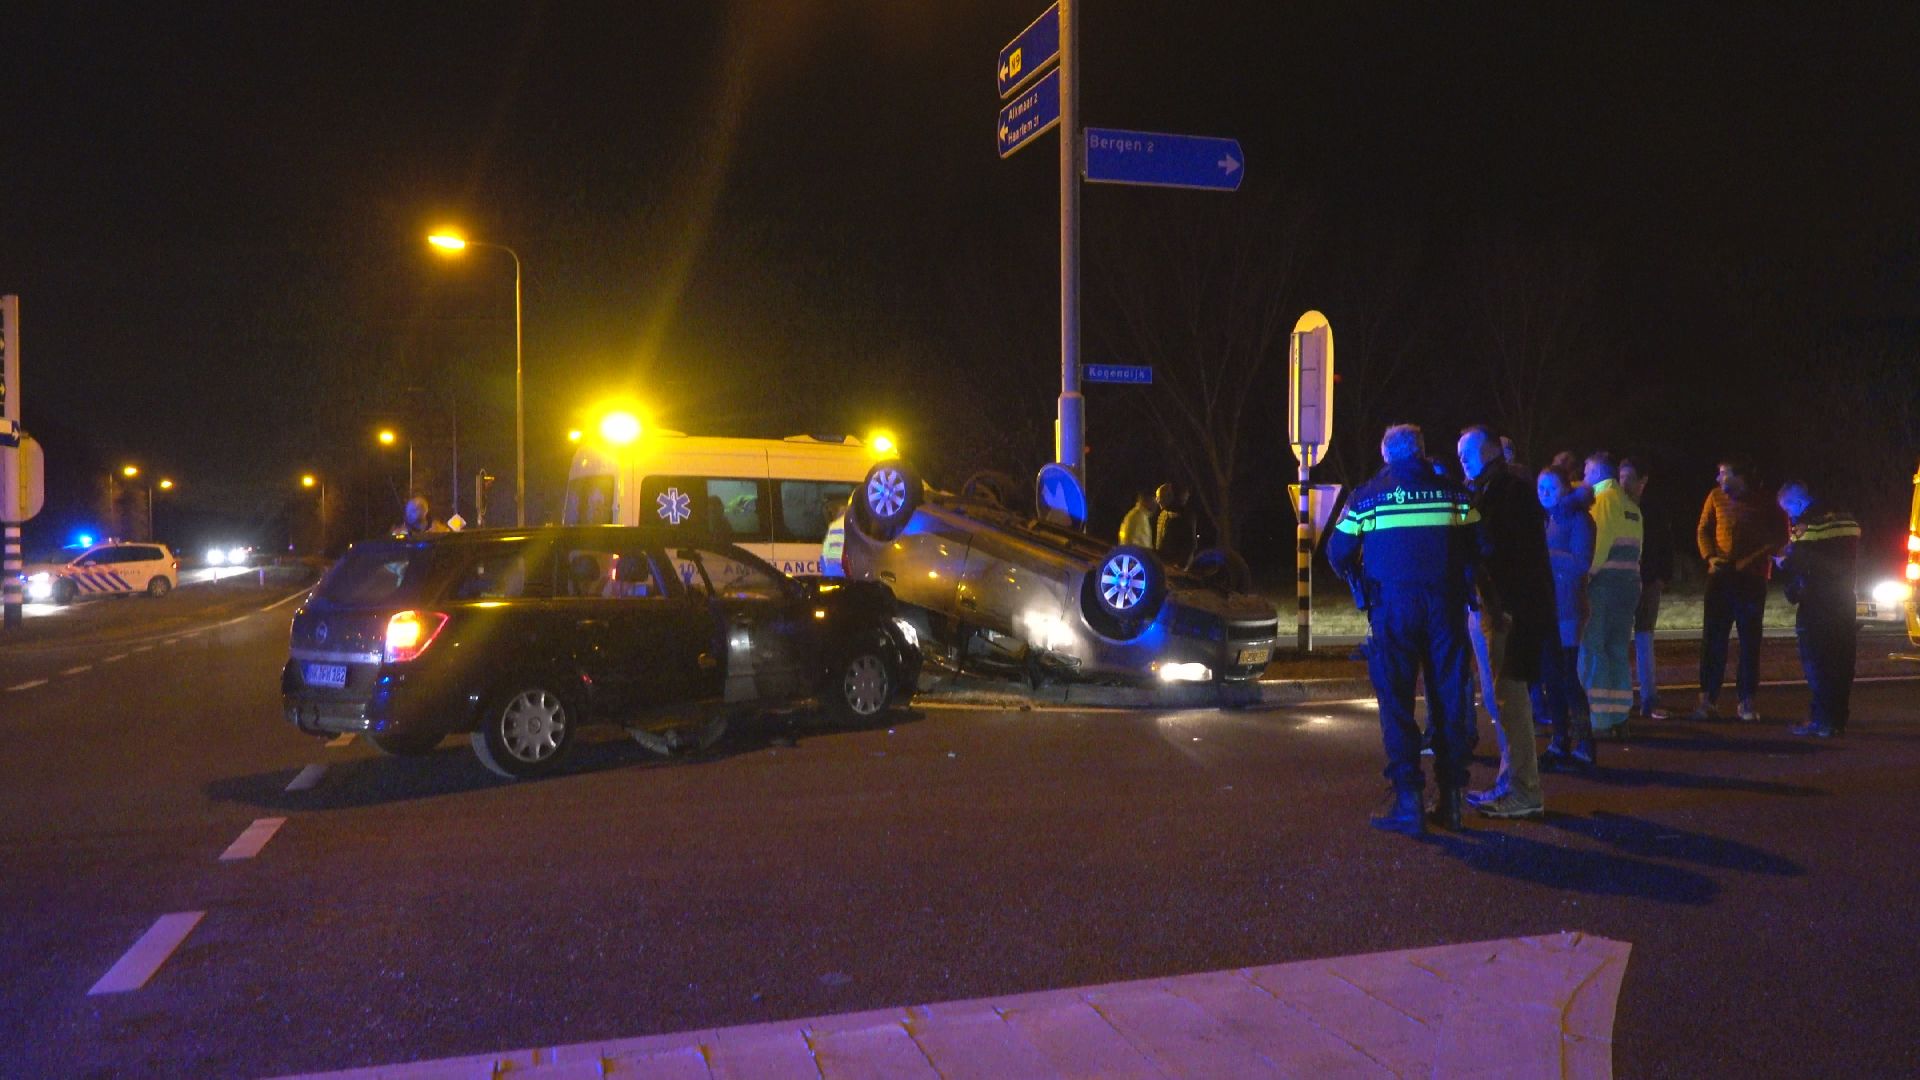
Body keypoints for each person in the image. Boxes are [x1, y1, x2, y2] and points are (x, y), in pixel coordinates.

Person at [1327, 424, 1481, 835]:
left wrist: (1360, 579)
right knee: (1448, 700)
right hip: (1445, 608)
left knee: (1396, 701)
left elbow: (1337, 551)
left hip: (1392, 608)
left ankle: (1408, 799)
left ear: (1386, 455)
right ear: (1422, 451)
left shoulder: (1367, 496)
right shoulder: (1454, 493)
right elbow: (1479, 546)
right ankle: (1450, 801)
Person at [1457, 427, 1555, 819]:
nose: (1462, 461)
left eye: (1467, 453)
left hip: (1510, 611)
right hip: (1504, 608)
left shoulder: (1506, 491)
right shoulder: (1494, 487)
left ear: (1489, 451)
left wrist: (1503, 607)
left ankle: (1524, 791)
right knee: (1504, 699)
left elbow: (1504, 553)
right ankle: (1511, 782)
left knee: (1510, 700)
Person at [1694, 456, 1787, 721]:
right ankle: (1708, 698)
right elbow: (1703, 530)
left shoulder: (1766, 501)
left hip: (1752, 579)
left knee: (1749, 642)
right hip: (1720, 576)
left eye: (1723, 473)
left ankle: (1746, 700)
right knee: (1713, 640)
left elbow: (1780, 536)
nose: (1718, 479)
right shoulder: (1715, 497)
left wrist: (1754, 558)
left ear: (1739, 476)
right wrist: (1711, 557)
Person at [1774, 481, 1860, 737]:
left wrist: (1784, 564)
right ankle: (1838, 719)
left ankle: (1821, 721)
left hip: (1816, 604)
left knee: (1817, 663)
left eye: (1788, 509)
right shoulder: (1847, 520)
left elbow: (1800, 564)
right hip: (1844, 600)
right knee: (1842, 662)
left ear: (1797, 502)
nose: (1789, 515)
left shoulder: (1806, 526)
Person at [1536, 466, 1596, 770]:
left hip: (1568, 610)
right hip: (1545, 610)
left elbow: (1581, 563)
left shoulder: (1579, 519)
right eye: (1540, 488)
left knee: (1568, 679)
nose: (1544, 493)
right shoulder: (1544, 520)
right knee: (1551, 680)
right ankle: (1560, 741)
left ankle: (1585, 744)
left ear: (1565, 489)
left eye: (1551, 488)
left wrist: (1545, 554)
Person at [1580, 452, 1643, 738]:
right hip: (1628, 585)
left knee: (1594, 651)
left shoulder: (1602, 501)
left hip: (1603, 585)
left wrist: (1586, 577)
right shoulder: (1630, 504)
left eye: (1586, 470)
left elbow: (1598, 543)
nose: (1583, 477)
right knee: (1618, 649)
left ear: (1596, 472)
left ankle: (1599, 719)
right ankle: (1620, 715)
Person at [1619, 457, 1673, 719]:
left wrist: (1661, 576)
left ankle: (1649, 698)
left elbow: (1665, 543)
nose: (1623, 482)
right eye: (1621, 476)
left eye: (1629, 477)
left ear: (1643, 481)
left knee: (1644, 637)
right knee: (1617, 639)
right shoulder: (1615, 506)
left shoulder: (1653, 509)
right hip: (1620, 581)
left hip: (1648, 580)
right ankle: (1621, 698)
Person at [1153, 482, 1198, 570]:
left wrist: (1181, 565)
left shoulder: (1183, 515)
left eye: (1160, 496)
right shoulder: (1164, 514)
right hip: (1165, 564)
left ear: (1169, 497)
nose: (1157, 500)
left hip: (1175, 566)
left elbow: (1190, 542)